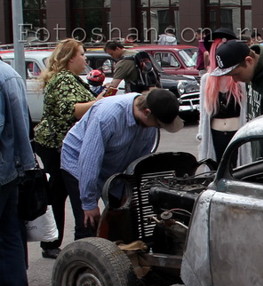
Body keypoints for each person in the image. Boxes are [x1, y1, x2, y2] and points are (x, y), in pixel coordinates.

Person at [61, 89, 184, 232]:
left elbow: (140, 160)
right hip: (79, 161)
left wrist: (129, 189)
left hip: (114, 163)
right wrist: (89, 203)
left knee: (121, 219)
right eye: (158, 124)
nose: (158, 128)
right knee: (88, 222)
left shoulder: (149, 122)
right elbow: (89, 159)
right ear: (146, 112)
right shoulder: (107, 117)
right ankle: (81, 251)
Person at [32, 39, 101, 259]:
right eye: (82, 54)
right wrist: (101, 101)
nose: (85, 59)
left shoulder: (69, 78)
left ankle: (52, 241)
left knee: (58, 191)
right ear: (70, 58)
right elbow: (74, 111)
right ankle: (82, 241)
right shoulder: (63, 80)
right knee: (75, 189)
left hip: (58, 144)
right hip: (58, 145)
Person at [0, 61, 37, 286]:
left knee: (9, 233)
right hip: (9, 171)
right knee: (10, 233)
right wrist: (26, 164)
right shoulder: (10, 75)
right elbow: (23, 126)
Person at [197, 30, 249, 164]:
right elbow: (204, 112)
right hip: (215, 134)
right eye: (219, 49)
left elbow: (247, 110)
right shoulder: (206, 80)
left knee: (237, 170)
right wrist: (201, 134)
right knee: (216, 169)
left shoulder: (240, 79)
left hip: (237, 133)